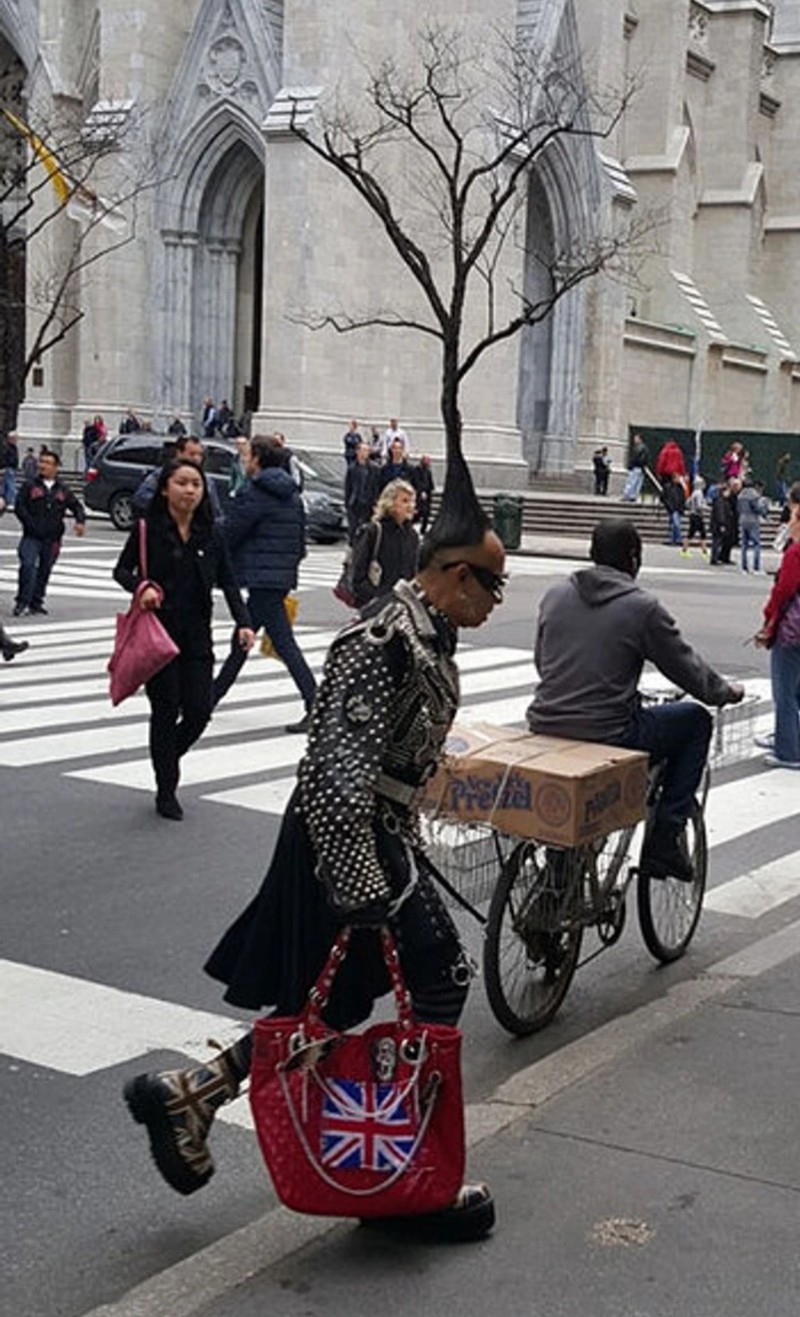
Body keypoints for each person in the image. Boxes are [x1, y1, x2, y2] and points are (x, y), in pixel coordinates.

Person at [122, 445, 506, 1243]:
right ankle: (400, 1179)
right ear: (456, 575)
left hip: (372, 833)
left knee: (329, 1001)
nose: (498, 601)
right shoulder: (385, 640)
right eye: (493, 584)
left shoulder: (428, 632)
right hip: (347, 839)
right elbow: (336, 775)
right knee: (441, 979)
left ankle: (191, 1093)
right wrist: (367, 888)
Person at [528, 519, 743, 880]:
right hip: (608, 731)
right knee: (695, 721)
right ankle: (665, 838)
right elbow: (685, 667)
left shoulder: (555, 594)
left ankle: (558, 876)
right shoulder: (641, 607)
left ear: (592, 554)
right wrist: (722, 692)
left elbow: (543, 660)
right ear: (633, 558)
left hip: (546, 724)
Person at [113, 459, 254, 820]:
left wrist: (244, 622)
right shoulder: (147, 529)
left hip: (196, 636)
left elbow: (228, 579)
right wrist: (142, 586)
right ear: (165, 488)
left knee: (199, 711)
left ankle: (166, 756)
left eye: (196, 484)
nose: (190, 490)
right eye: (182, 483)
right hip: (158, 637)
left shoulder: (212, 533)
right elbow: (122, 571)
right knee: (165, 709)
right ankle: (166, 789)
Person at [212, 435, 315, 733]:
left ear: (257, 459)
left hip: (261, 576)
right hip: (277, 577)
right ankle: (211, 697)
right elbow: (299, 542)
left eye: (249, 456)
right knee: (244, 640)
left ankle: (315, 703)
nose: (245, 460)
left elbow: (232, 531)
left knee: (281, 643)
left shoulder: (256, 492)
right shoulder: (292, 495)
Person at [754, 498, 800, 769]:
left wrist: (769, 617)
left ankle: (789, 750)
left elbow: (783, 591)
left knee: (783, 690)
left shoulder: (796, 553)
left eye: (794, 518)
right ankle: (790, 736)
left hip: (793, 629)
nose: (789, 523)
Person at [13, 449, 86, 616]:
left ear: (56, 467)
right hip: (31, 536)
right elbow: (19, 506)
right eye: (41, 462)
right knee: (28, 566)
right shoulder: (30, 485)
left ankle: (36, 602)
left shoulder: (62, 489)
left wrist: (80, 521)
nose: (42, 466)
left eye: (47, 463)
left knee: (45, 569)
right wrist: (29, 523)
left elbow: (76, 506)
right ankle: (22, 601)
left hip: (52, 538)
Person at [351, 478, 419, 609]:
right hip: (374, 606)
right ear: (390, 503)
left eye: (412, 501)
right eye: (405, 501)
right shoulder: (374, 531)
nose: (411, 506)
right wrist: (377, 598)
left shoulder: (412, 536)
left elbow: (412, 574)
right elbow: (358, 576)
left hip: (401, 608)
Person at [133, 434, 224, 524]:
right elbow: (141, 498)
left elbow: (216, 514)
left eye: (199, 454)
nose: (196, 458)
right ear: (179, 453)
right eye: (192, 454)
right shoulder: (162, 475)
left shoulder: (207, 482)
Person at [344, 438, 380, 542]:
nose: (365, 453)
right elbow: (348, 486)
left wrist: (375, 502)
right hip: (355, 503)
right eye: (363, 450)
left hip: (368, 503)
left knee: (367, 530)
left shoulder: (374, 469)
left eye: (367, 450)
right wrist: (348, 502)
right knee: (353, 530)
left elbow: (376, 486)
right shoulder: (352, 468)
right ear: (358, 451)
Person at [737, 479, 769, 573]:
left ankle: (744, 567)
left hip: (742, 519)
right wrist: (764, 512)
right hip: (753, 520)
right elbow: (757, 508)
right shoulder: (754, 495)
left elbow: (738, 508)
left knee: (744, 545)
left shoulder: (740, 496)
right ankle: (756, 567)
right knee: (756, 544)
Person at [661, 471, 687, 548]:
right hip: (672, 508)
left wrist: (682, 507)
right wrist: (668, 505)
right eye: (677, 478)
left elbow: (683, 498)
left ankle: (673, 539)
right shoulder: (668, 487)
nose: (679, 479)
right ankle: (678, 539)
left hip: (678, 508)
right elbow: (663, 497)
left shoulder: (680, 487)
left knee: (674, 524)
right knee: (676, 524)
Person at [685, 476, 708, 557]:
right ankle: (704, 551)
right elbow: (699, 506)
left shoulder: (694, 492)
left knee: (691, 533)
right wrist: (705, 507)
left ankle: (685, 549)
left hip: (692, 514)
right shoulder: (699, 493)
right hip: (697, 515)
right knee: (702, 533)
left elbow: (687, 503)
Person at [412, 454, 435, 534]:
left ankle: (423, 530)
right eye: (426, 460)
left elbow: (430, 483)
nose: (428, 463)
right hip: (419, 495)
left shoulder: (428, 471)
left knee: (426, 514)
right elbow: (416, 482)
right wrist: (421, 491)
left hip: (427, 495)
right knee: (417, 513)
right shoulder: (417, 470)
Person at [622, 434, 649, 502]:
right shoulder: (644, 448)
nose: (635, 440)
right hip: (640, 468)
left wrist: (631, 464)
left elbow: (636, 458)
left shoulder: (638, 448)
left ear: (640, 439)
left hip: (636, 467)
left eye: (636, 438)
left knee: (632, 481)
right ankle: (633, 496)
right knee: (637, 483)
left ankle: (627, 495)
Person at [2, 431, 19, 507]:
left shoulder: (13, 447)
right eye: (15, 438)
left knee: (6, 485)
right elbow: (6, 458)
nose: (16, 440)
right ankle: (11, 501)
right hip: (9, 468)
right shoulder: (8, 447)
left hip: (11, 468)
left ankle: (6, 500)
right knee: (10, 484)